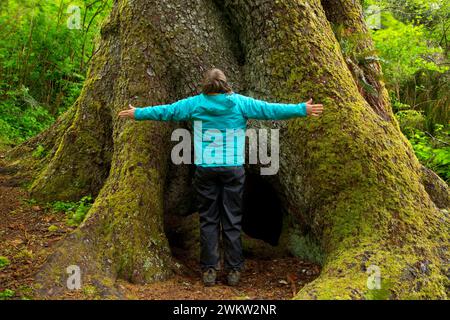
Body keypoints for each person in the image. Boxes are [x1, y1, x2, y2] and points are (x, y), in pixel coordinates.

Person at [118, 68, 324, 286]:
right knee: (232, 220)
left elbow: (167, 111)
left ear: (205, 85)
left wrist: (138, 113)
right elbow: (269, 110)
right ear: (225, 84)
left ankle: (209, 270)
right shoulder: (238, 103)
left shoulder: (195, 103)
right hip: (232, 170)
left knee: (208, 220)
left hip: (206, 170)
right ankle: (234, 270)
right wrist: (302, 109)